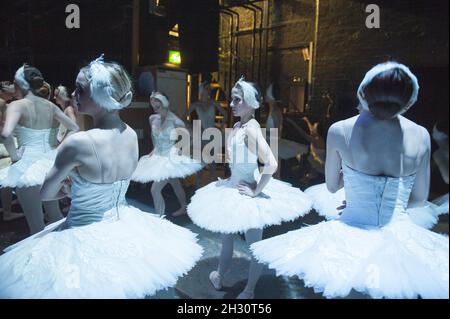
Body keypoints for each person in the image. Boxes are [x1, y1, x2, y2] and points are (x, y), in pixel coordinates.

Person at [0, 56, 203, 298]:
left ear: (100, 95)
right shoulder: (129, 134)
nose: (75, 94)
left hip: (83, 232)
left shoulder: (78, 142)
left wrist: (68, 188)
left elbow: (46, 194)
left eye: (80, 89)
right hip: (123, 225)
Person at [251, 62, 449, 299]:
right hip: (399, 235)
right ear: (409, 97)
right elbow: (418, 199)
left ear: (365, 92)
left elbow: (333, 187)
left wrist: (360, 197)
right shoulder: (421, 134)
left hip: (352, 231)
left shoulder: (340, 129)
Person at [187, 77, 312, 299]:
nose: (232, 104)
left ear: (252, 103)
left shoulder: (251, 129)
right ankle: (218, 275)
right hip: (233, 186)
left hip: (246, 192)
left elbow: (271, 163)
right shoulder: (238, 126)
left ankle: (250, 289)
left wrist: (255, 190)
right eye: (232, 99)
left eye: (237, 100)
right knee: (227, 237)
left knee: (254, 246)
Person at [0, 65, 79, 234]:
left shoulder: (17, 105)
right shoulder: (50, 106)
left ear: (20, 84)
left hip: (27, 166)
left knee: (36, 224)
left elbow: (6, 135)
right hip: (50, 164)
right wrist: (58, 149)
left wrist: (14, 158)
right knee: (56, 217)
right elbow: (74, 128)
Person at [132, 92, 203, 217]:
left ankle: (160, 218)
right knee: (175, 183)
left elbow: (194, 136)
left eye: (157, 101)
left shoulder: (176, 121)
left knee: (155, 189)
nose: (154, 104)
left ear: (164, 102)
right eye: (152, 102)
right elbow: (155, 138)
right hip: (158, 156)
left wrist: (182, 148)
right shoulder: (152, 118)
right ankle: (184, 207)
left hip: (170, 158)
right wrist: (154, 150)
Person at [185, 81, 228, 186]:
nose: (208, 90)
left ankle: (212, 183)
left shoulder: (213, 102)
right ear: (202, 90)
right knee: (200, 160)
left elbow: (225, 114)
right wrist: (191, 127)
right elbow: (184, 116)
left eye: (209, 88)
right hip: (201, 134)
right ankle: (198, 183)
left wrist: (221, 126)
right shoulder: (196, 104)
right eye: (207, 88)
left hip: (212, 133)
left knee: (212, 161)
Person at [265, 83, 308, 178]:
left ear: (271, 97)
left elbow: (277, 131)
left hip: (273, 143)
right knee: (272, 171)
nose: (265, 97)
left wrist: (263, 133)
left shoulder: (275, 111)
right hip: (271, 143)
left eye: (266, 95)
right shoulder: (273, 110)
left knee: (273, 171)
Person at [0, 81, 23, 221]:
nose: (14, 89)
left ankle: (7, 206)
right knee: (7, 176)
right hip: (4, 144)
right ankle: (7, 213)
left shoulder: (4, 103)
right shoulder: (1, 103)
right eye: (10, 86)